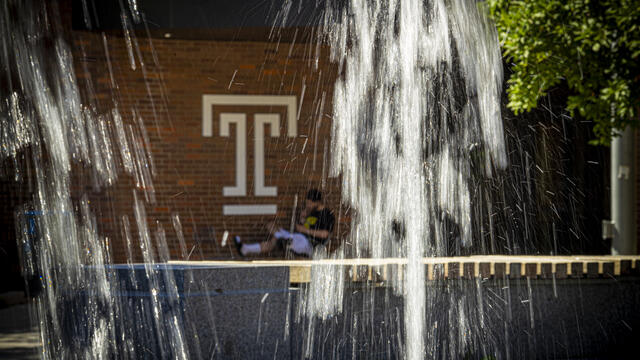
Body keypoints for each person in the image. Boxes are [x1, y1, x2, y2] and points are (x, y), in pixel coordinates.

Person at [234, 189, 335, 257]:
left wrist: (304, 230)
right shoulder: (311, 213)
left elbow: (325, 234)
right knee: (271, 225)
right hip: (297, 238)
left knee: (280, 240)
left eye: (309, 203)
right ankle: (246, 249)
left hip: (310, 244)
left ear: (317, 202)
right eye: (307, 203)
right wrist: (302, 218)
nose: (308, 205)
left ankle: (248, 248)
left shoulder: (327, 214)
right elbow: (300, 227)